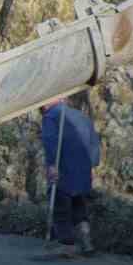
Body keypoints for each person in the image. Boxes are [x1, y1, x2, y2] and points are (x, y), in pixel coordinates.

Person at [40, 99, 100, 256]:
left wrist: (52, 164)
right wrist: (92, 163)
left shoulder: (51, 116)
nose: (41, 104)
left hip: (63, 169)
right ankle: (86, 241)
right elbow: (94, 142)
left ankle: (67, 244)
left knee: (61, 208)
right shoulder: (82, 117)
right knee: (79, 205)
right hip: (82, 170)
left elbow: (50, 141)